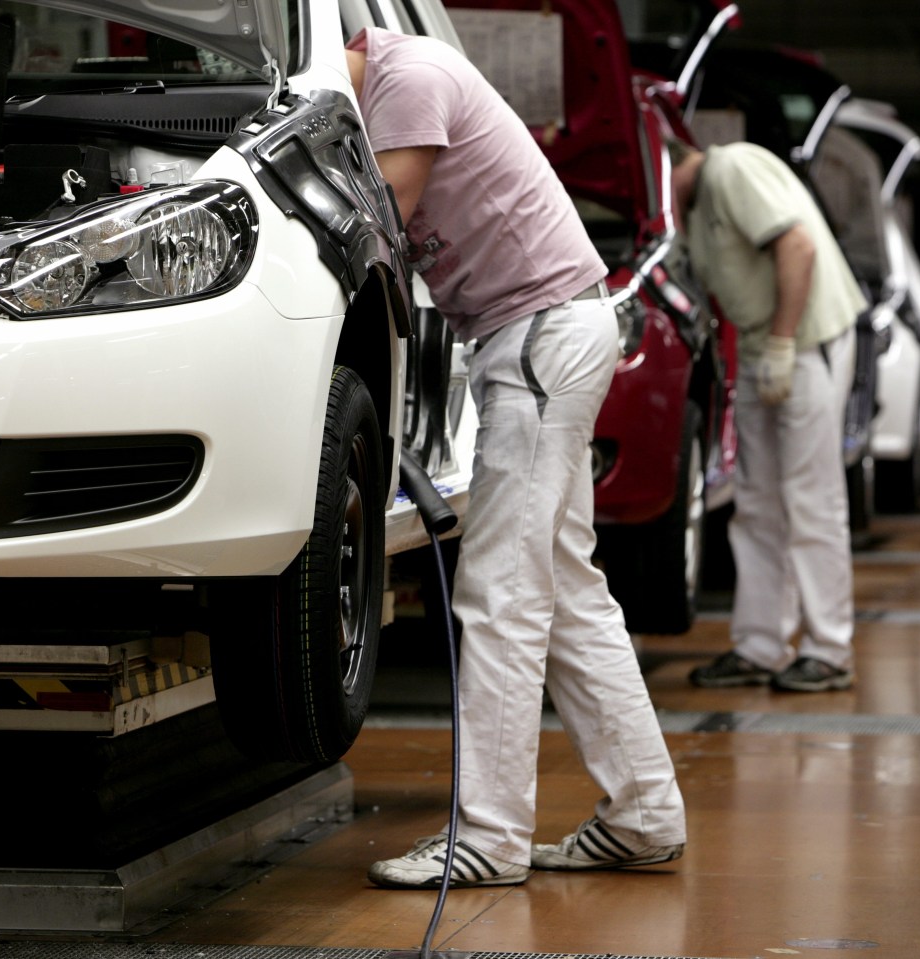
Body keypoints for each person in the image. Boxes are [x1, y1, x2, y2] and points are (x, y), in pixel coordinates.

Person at [348, 27, 686, 890]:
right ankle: (644, 814)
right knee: (566, 590)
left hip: (535, 336)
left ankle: (490, 836)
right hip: (541, 331)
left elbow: (375, 230)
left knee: (499, 589)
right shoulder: (399, 76)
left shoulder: (408, 76)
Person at [671, 138, 863, 693]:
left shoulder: (731, 167)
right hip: (762, 350)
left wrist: (782, 343)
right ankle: (761, 644)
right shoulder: (696, 207)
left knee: (811, 497)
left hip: (804, 340)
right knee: (756, 502)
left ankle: (830, 650)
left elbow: (797, 247)